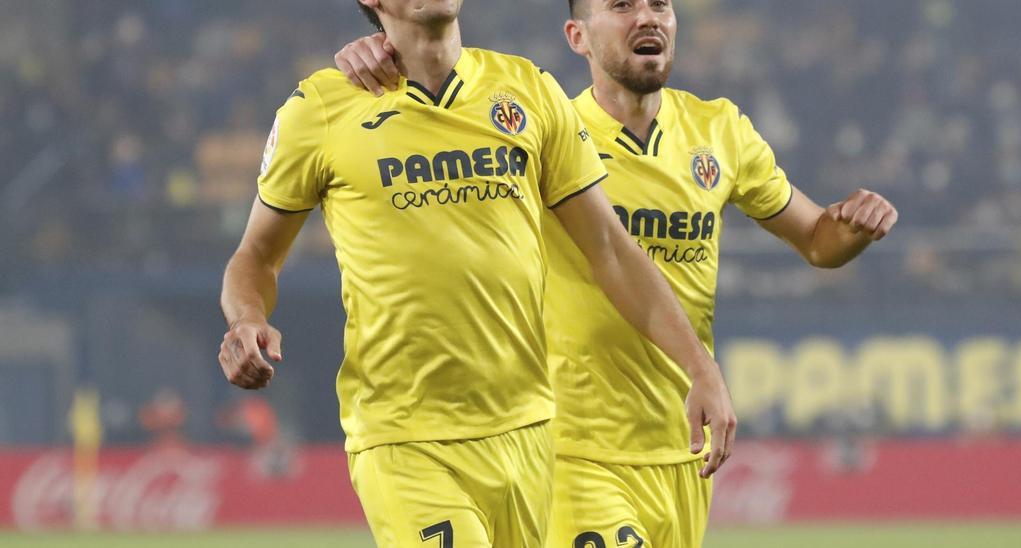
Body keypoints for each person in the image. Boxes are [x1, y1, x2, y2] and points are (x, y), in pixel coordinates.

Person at [335, 0, 897, 545]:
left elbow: (818, 242)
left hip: (682, 447)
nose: (648, 17)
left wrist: (854, 225)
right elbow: (439, 118)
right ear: (577, 37)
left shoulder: (721, 131)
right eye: (623, 5)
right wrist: (385, 51)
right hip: (574, 449)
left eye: (660, 4)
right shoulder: (546, 124)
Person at [217, 1, 736, 546]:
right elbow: (255, 256)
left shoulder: (528, 90)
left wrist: (700, 367)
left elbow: (610, 248)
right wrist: (247, 317)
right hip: (406, 434)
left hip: (529, 431)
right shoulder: (322, 107)